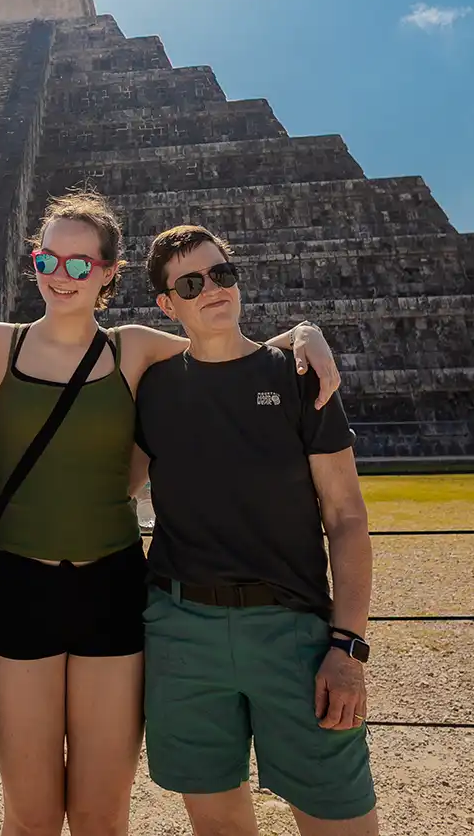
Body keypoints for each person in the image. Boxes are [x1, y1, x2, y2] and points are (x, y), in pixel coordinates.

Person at [0, 190, 343, 836]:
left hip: (112, 591)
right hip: (19, 590)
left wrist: (304, 333)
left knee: (102, 817)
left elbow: (227, 347)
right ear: (35, 264)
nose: (60, 277)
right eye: (49, 261)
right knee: (32, 816)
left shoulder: (133, 349)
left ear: (106, 274)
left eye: (79, 264)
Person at [134, 224, 378, 835]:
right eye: (191, 283)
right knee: (216, 824)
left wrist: (347, 646)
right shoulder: (154, 388)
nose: (212, 289)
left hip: (293, 633)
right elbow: (110, 486)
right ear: (167, 305)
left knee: (340, 818)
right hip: (181, 629)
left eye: (222, 274)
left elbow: (346, 516)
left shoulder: (299, 377)